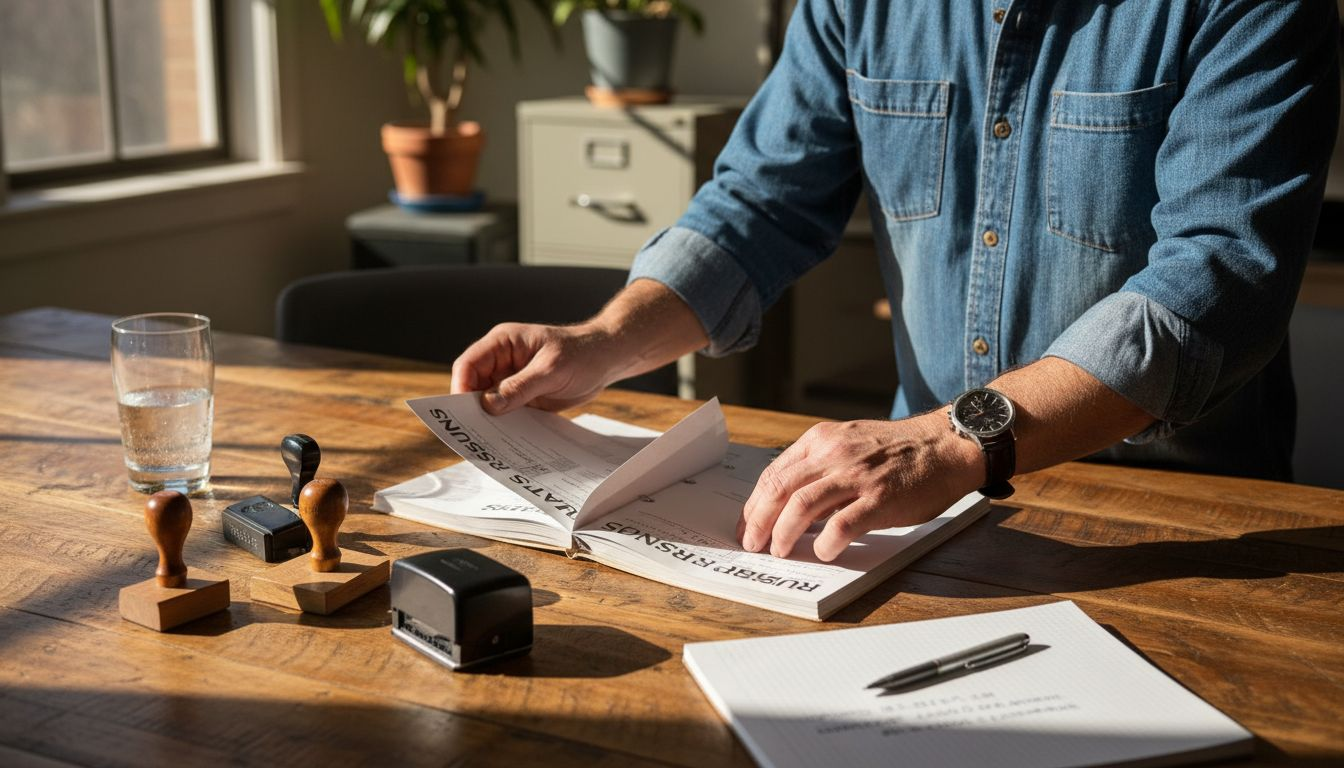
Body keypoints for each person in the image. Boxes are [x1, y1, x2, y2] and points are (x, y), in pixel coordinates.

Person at [453, 1, 1340, 562]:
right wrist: (606, 340)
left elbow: (1215, 275)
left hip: (1180, 519)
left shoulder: (1254, 8)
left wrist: (953, 443)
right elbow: (764, 202)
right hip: (911, 512)